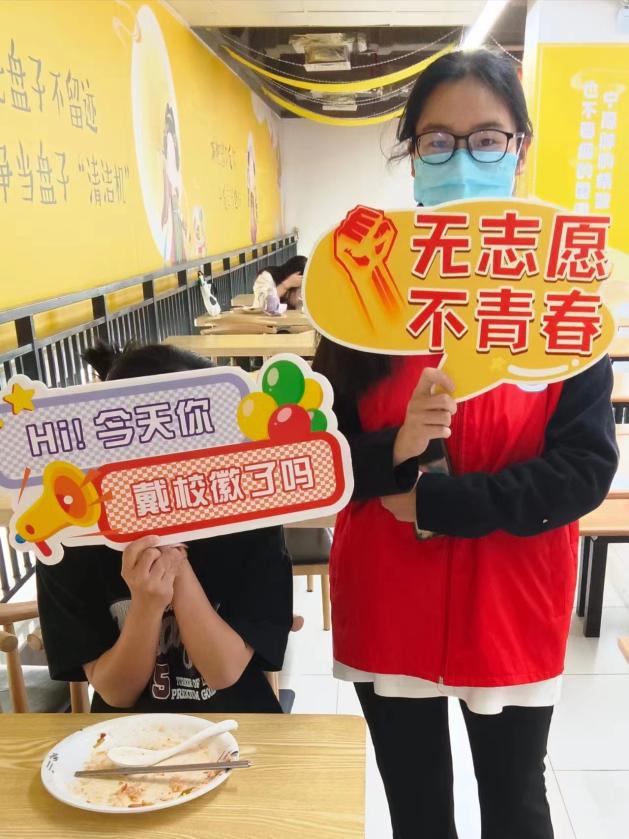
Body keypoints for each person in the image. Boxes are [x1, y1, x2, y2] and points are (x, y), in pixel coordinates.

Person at [313, 49, 618, 839]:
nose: (460, 160)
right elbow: (323, 453)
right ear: (412, 156)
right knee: (417, 812)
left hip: (511, 597)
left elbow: (584, 468)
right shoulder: (360, 286)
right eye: (437, 141)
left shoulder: (559, 296)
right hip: (388, 595)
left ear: (518, 150)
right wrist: (391, 452)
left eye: (485, 139)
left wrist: (438, 503)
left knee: (515, 808)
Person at [36, 342, 293, 714]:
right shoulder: (70, 539)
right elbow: (116, 693)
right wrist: (146, 605)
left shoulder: (250, 522)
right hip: (122, 734)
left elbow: (224, 671)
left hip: (240, 721)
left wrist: (176, 562)